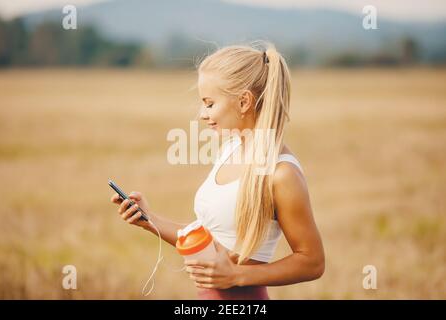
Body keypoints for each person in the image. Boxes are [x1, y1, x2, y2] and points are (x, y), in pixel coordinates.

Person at [110, 42, 325, 300]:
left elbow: (312, 261)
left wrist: (236, 275)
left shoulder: (281, 174)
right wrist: (149, 221)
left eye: (209, 104)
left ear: (244, 101)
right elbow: (209, 239)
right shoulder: (231, 148)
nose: (202, 114)